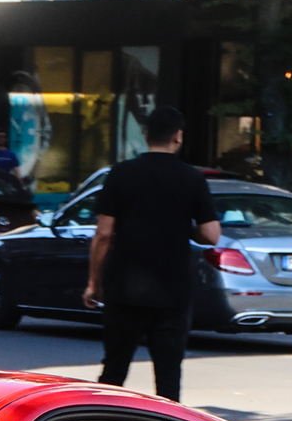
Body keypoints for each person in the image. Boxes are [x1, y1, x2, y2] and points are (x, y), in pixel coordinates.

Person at [83, 105, 221, 402]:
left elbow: (104, 234)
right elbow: (211, 234)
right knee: (169, 380)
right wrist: (187, 229)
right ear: (178, 136)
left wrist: (94, 282)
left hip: (125, 289)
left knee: (113, 373)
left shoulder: (121, 174)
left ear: (146, 135)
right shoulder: (192, 178)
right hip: (172, 292)